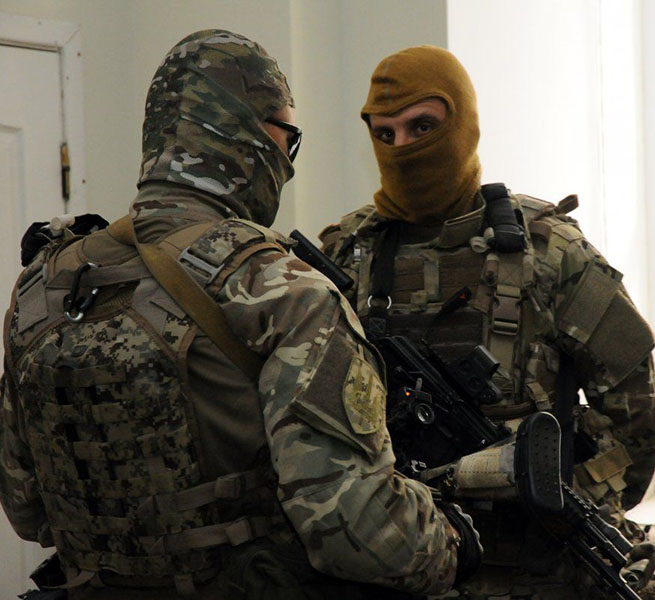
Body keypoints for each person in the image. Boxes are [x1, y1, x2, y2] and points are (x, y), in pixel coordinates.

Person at [0, 31, 480, 600]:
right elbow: (357, 534)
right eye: (288, 137)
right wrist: (453, 540)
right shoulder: (283, 290)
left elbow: (27, 509)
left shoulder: (45, 281)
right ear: (254, 138)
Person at [318, 45, 655, 598]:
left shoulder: (549, 250)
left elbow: (635, 419)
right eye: (385, 134)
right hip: (394, 569)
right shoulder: (346, 253)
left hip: (531, 571)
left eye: (422, 127)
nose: (403, 149)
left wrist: (561, 501)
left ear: (463, 124)